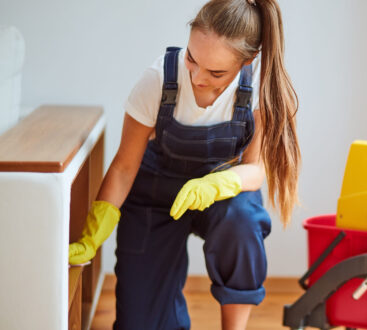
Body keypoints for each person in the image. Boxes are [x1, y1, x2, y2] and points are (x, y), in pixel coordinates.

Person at [68, 0, 300, 328]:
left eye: (216, 72)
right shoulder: (158, 79)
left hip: (220, 196)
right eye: (192, 58)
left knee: (243, 219)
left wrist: (215, 184)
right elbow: (123, 166)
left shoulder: (260, 86)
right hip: (155, 194)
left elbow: (256, 169)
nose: (197, 76)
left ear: (247, 61)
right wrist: (93, 233)